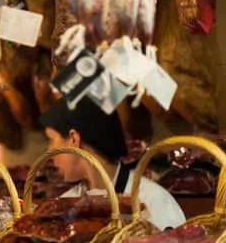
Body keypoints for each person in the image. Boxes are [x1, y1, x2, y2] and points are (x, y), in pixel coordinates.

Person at [40, 96, 185, 230]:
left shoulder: (153, 201)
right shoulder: (65, 204)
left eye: (51, 141)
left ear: (73, 139)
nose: (49, 152)